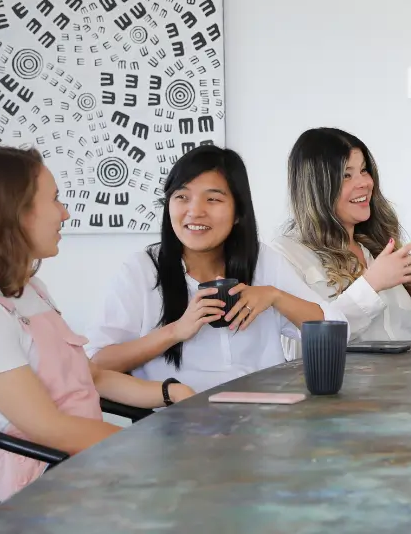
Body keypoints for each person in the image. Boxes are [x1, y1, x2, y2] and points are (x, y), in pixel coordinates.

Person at [0, 145, 194, 501]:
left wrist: (171, 391)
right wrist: (153, 453)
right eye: (55, 200)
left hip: (81, 465)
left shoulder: (29, 290)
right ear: (14, 213)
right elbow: (49, 428)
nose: (65, 213)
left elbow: (92, 377)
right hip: (46, 489)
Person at [86, 145, 343, 393]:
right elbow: (96, 363)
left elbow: (335, 329)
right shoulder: (141, 269)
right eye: (182, 197)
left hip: (264, 417)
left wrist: (275, 296)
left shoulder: (263, 260)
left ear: (238, 212)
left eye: (212, 199)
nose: (195, 211)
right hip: (178, 422)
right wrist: (176, 330)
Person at [272, 128, 411, 352]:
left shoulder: (377, 248)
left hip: (404, 384)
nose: (364, 183)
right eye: (346, 175)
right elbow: (298, 348)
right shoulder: (286, 255)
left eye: (364, 170)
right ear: (316, 187)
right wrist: (371, 284)